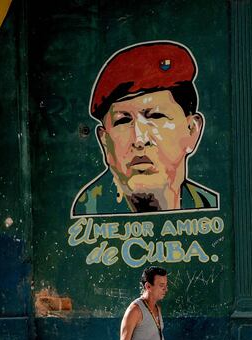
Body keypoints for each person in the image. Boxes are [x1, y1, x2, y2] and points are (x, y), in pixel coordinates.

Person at [72, 41, 219, 216]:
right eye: (123, 121)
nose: (139, 139)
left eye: (156, 116)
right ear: (104, 141)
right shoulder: (87, 214)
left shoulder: (209, 207)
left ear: (192, 130)